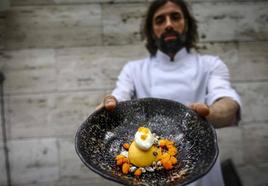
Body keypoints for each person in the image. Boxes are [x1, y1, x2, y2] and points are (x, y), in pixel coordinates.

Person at [98, 0, 241, 185]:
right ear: (151, 30)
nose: (168, 24)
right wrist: (109, 105)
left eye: (175, 17)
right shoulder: (133, 70)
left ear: (187, 24)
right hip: (149, 172)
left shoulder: (210, 65)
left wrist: (209, 113)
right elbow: (119, 97)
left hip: (204, 174)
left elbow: (227, 102)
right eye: (160, 20)